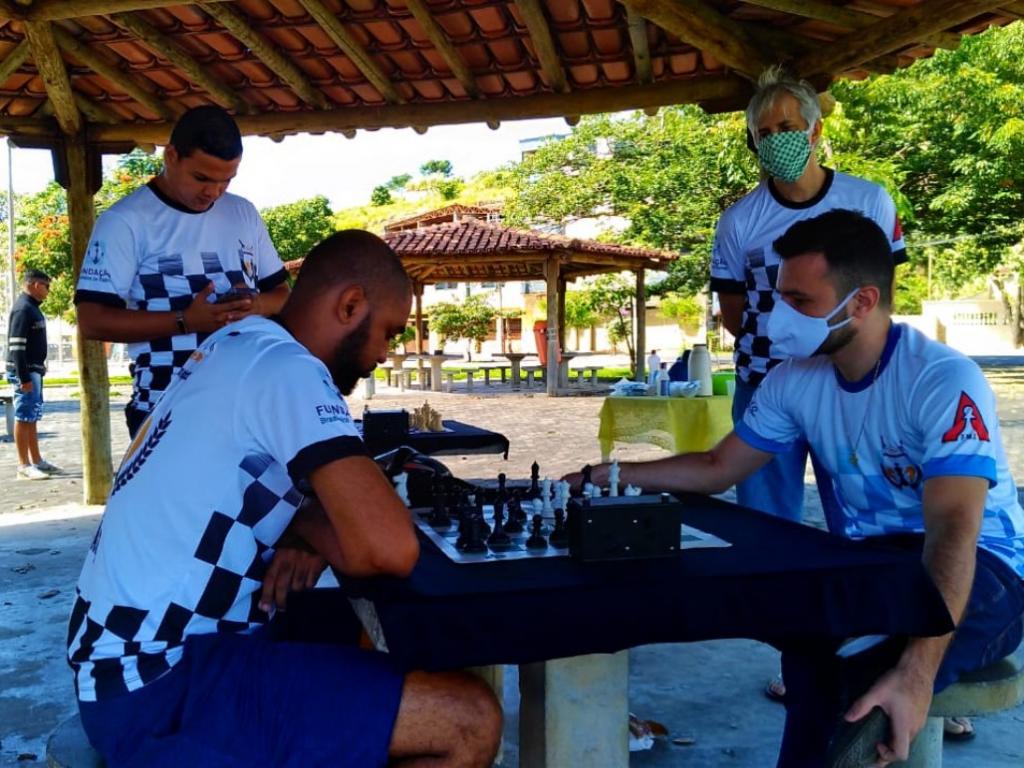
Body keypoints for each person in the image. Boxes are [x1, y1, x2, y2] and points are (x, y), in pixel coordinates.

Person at [568, 210, 1024, 767]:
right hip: (877, 559)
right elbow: (718, 466)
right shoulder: (793, 379)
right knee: (808, 644)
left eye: (800, 301)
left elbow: (954, 528)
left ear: (862, 301)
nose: (778, 317)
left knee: (869, 677)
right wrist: (609, 476)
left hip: (984, 566)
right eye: (780, 297)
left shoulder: (941, 379)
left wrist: (917, 671)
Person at [67, 230, 503, 768]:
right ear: (350, 305)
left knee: (391, 635)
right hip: (159, 685)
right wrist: (320, 521)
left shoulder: (236, 344)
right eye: (388, 333)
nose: (383, 355)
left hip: (129, 664)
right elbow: (388, 548)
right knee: (469, 719)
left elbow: (337, 531)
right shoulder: (287, 368)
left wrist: (306, 528)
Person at [710, 65, 910, 707]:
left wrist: (838, 357)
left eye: (788, 126)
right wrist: (787, 350)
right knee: (768, 525)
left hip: (852, 387)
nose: (777, 139)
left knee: (862, 514)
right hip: (767, 383)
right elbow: (734, 311)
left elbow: (884, 294)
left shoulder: (868, 201)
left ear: (816, 130)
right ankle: (797, 658)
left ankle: (881, 658)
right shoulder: (739, 221)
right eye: (764, 132)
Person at [74, 105, 290, 438]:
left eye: (226, 180)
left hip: (246, 405)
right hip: (165, 408)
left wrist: (255, 305)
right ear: (171, 156)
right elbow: (92, 321)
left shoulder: (243, 212)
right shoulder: (125, 221)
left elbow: (283, 296)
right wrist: (186, 321)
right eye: (201, 178)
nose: (213, 192)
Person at [5, 268, 60, 480]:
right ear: (35, 285)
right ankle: (24, 464)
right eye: (47, 286)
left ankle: (36, 460)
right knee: (23, 416)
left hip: (34, 370)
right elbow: (16, 347)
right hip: (25, 371)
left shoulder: (32, 308)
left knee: (32, 416)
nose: (48, 291)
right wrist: (24, 377)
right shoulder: (23, 309)